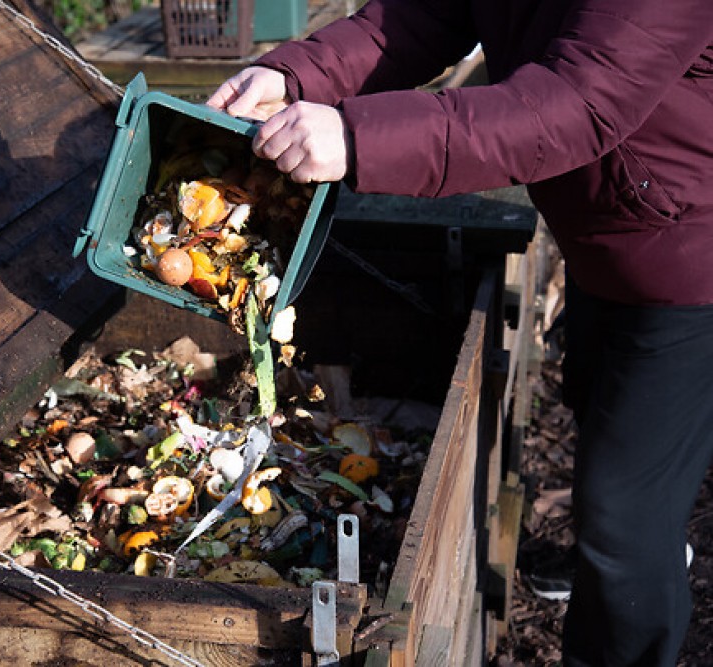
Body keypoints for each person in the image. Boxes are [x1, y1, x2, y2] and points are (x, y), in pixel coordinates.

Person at [207, 1, 713, 665]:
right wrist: (294, 76)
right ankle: (645, 549)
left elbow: (572, 105)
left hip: (690, 258)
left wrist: (359, 139)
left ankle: (634, 587)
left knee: (621, 518)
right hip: (615, 231)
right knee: (606, 428)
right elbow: (420, 17)